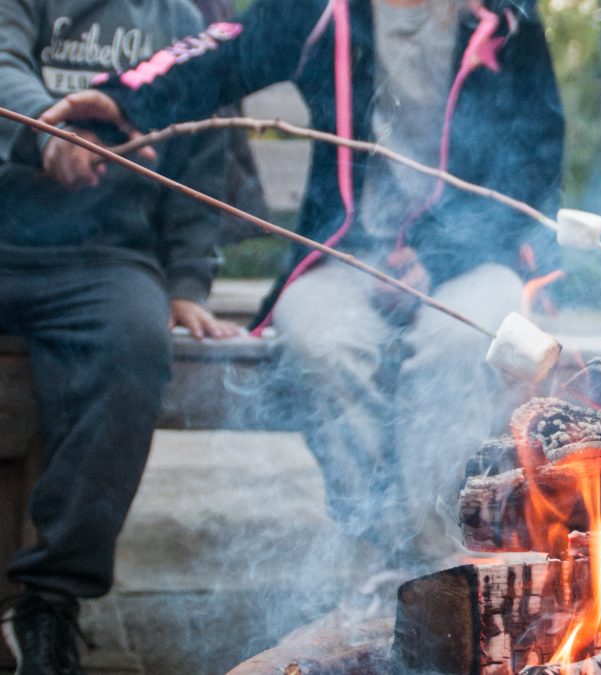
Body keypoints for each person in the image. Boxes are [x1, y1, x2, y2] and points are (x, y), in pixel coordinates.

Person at [43, 0, 565, 577]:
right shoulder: (325, 8)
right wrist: (121, 101)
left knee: (463, 345)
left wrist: (441, 255)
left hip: (471, 259)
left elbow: (537, 158)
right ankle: (376, 557)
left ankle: (429, 562)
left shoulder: (505, 18)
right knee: (322, 343)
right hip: (344, 253)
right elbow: (228, 51)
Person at [0, 0, 240, 671]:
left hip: (103, 257)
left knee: (136, 343)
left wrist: (188, 283)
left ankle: (49, 599)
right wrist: (49, 134)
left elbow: (201, 153)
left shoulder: (186, 22)